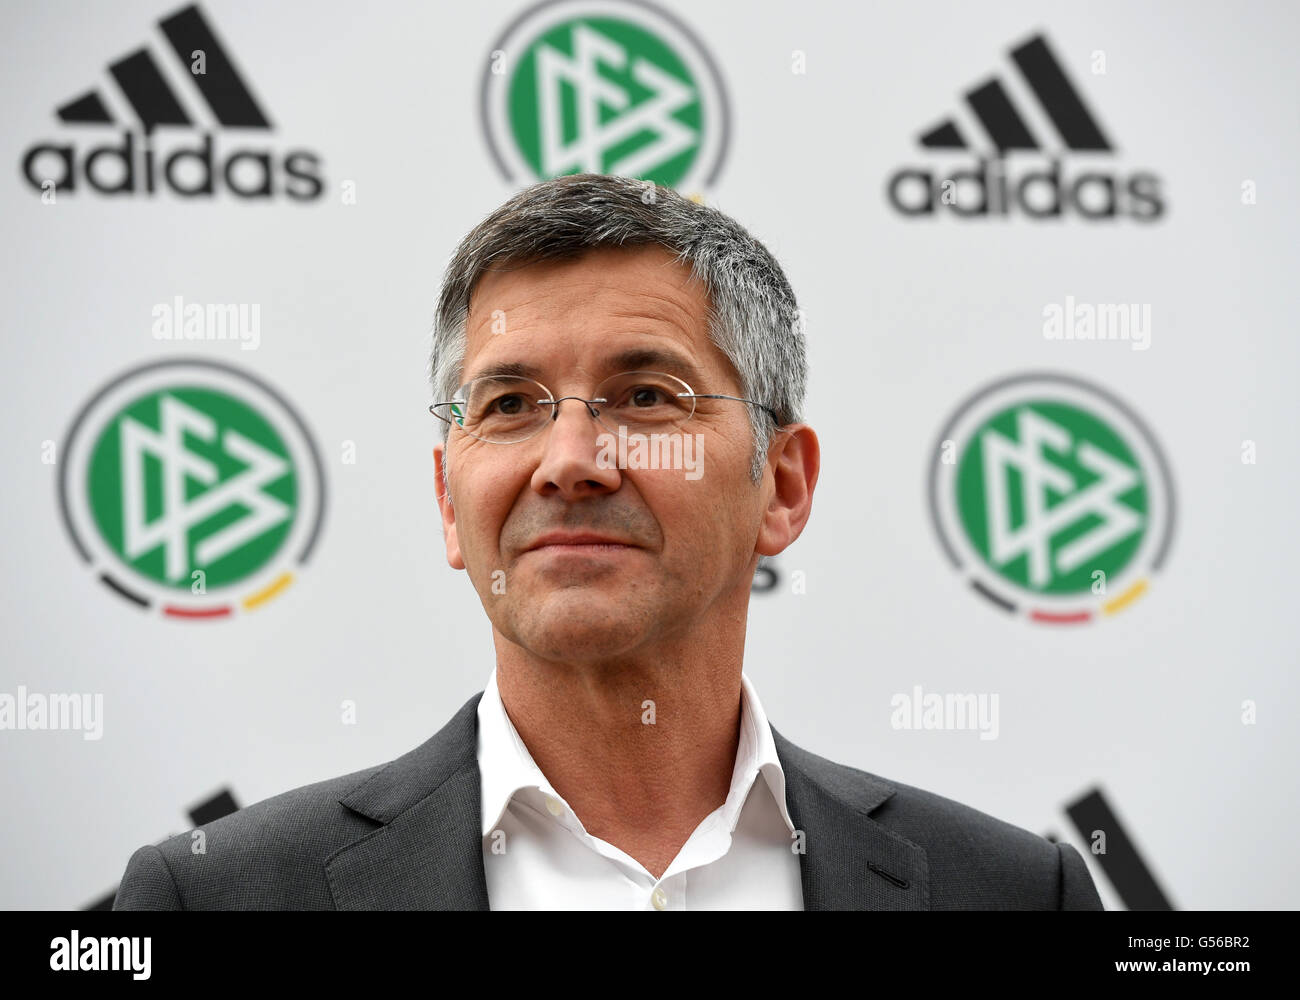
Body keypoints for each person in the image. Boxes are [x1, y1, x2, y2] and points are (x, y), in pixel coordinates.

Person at [115, 173, 1103, 910]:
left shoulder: (1013, 893)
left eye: (644, 395)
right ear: (446, 500)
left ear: (783, 485)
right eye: (507, 404)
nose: (572, 460)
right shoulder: (215, 899)